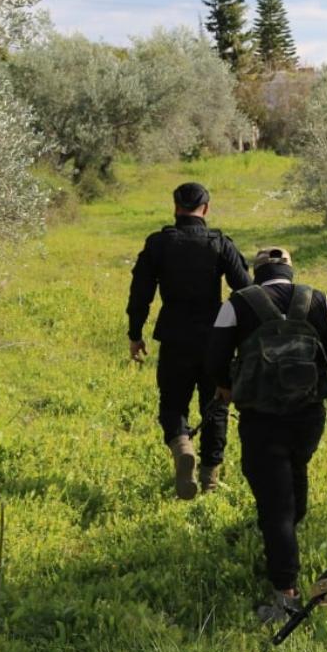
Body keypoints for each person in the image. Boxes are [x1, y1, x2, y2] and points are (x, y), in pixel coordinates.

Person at [205, 247, 327, 621]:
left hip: (261, 416)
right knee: (293, 474)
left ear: (257, 273)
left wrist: (225, 386)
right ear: (289, 270)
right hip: (308, 415)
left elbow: (214, 359)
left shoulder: (237, 303)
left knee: (275, 506)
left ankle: (285, 595)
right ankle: (284, 539)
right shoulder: (318, 299)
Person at [126, 182, 252, 500]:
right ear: (206, 209)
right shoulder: (219, 243)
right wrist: (244, 332)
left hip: (174, 337)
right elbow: (246, 289)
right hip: (215, 339)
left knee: (172, 405)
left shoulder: (158, 244)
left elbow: (140, 292)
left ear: (175, 207)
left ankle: (182, 445)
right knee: (216, 407)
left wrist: (135, 334)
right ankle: (209, 479)